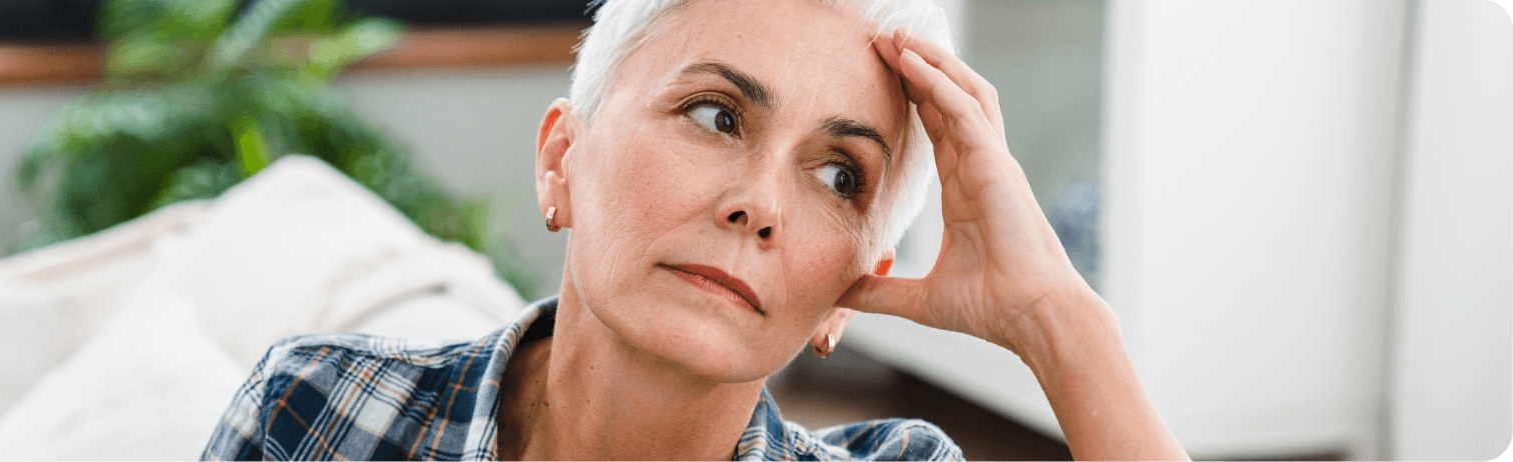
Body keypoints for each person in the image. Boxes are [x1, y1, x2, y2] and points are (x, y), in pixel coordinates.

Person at [202, 0, 1190, 460]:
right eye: (717, 116)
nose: (761, 202)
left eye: (839, 175)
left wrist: (1061, 322)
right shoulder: (320, 414)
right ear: (562, 158)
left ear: (850, 289)